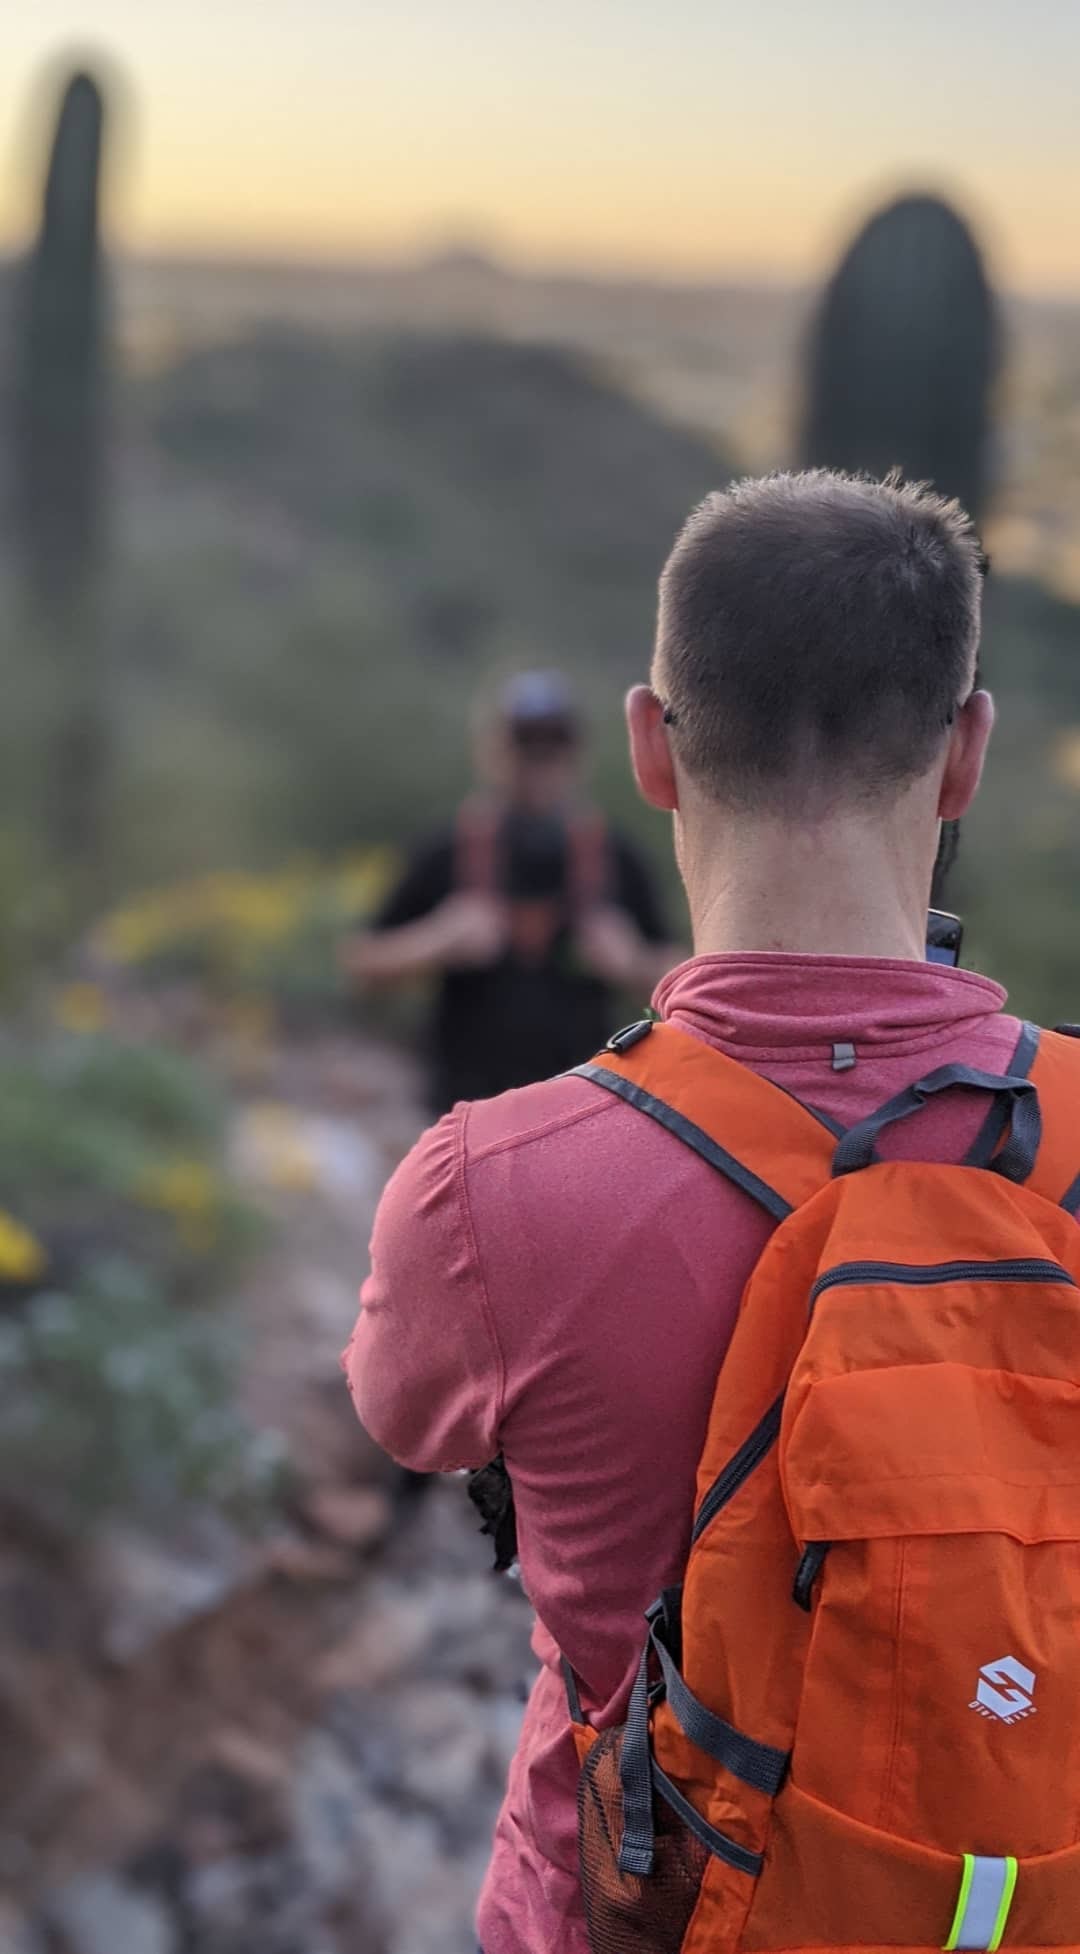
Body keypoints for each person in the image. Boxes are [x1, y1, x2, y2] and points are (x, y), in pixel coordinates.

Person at [343, 473, 1080, 1954]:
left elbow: (407, 1420)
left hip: (634, 1907)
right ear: (966, 757)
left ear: (648, 748)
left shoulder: (485, 1187)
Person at [341, 670, 681, 1115]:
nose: (538, 764)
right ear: (492, 753)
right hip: (460, 1112)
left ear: (575, 755)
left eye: (552, 749)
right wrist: (436, 942)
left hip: (581, 1114)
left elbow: (680, 978)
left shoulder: (615, 859)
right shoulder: (446, 852)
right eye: (525, 747)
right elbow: (360, 962)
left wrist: (630, 960)